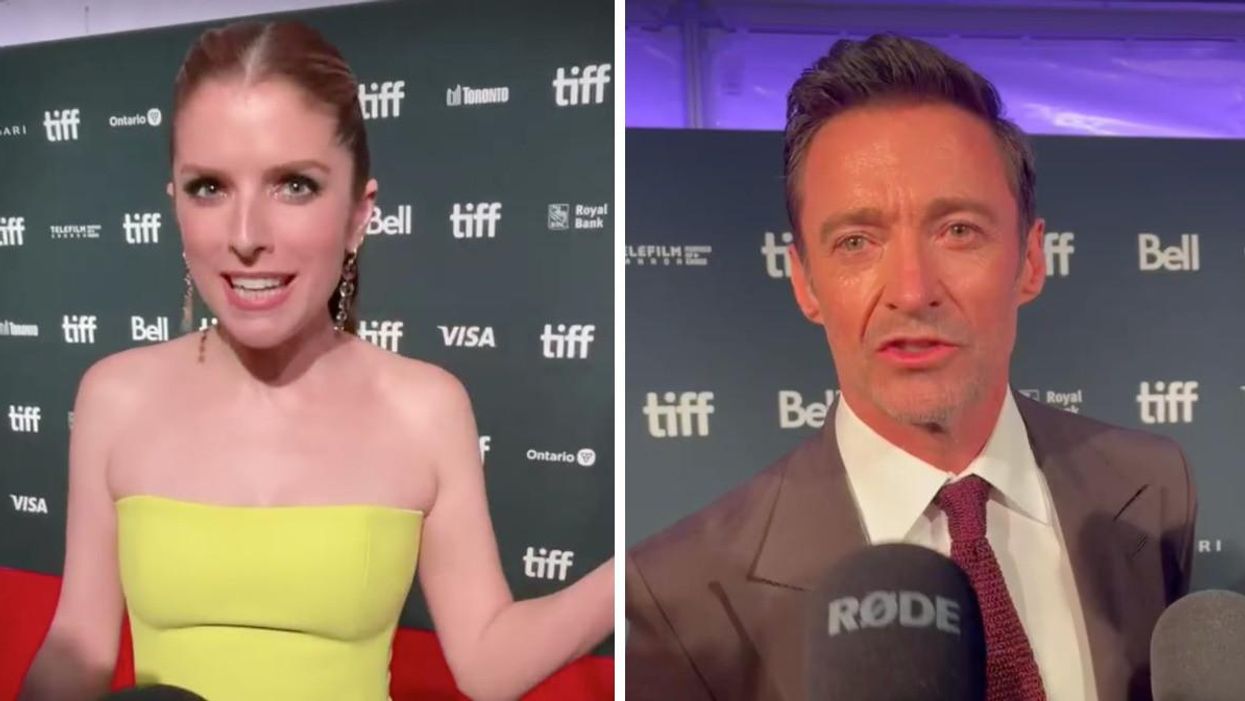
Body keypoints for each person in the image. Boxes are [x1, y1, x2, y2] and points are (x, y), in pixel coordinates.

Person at [19, 20, 613, 701]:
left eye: (294, 185)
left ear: (360, 214)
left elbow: (487, 661)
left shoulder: (425, 407)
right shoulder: (113, 395)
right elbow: (78, 652)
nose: (245, 237)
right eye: (209, 187)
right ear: (174, 207)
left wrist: (637, 576)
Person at [626, 34, 1195, 701]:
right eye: (856, 241)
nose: (911, 287)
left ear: (1031, 260)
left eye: (956, 229)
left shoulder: (1152, 485)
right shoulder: (677, 595)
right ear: (805, 282)